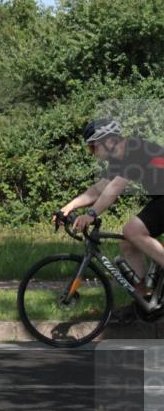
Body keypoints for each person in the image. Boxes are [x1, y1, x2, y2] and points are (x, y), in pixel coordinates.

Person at [59, 118, 164, 307]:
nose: (91, 153)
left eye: (92, 147)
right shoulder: (119, 159)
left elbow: (114, 188)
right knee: (127, 243)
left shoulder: (135, 150)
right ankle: (144, 300)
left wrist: (91, 214)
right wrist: (70, 206)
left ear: (107, 141)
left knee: (132, 230)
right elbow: (100, 188)